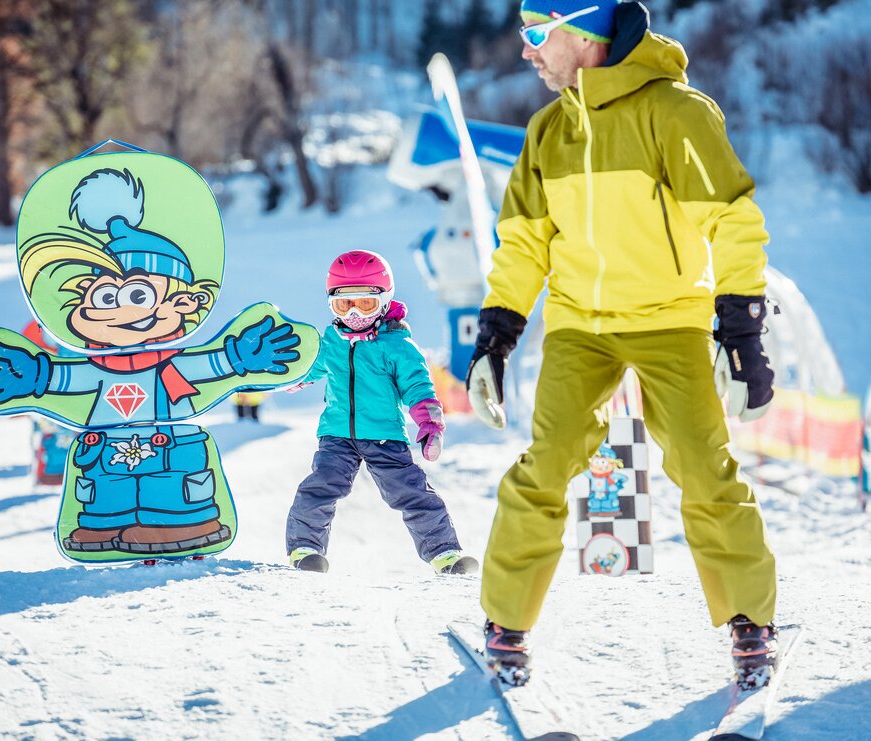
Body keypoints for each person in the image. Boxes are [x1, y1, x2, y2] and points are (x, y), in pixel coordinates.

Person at [465, 0, 779, 688]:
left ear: (579, 35)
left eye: (535, 35)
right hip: (582, 326)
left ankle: (751, 619)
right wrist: (497, 333)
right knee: (545, 463)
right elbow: (522, 243)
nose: (526, 52)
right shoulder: (549, 130)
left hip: (670, 318)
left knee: (703, 465)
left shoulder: (676, 113)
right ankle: (506, 619)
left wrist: (742, 325)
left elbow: (731, 219)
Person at [285, 250, 478, 575]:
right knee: (320, 487)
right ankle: (305, 550)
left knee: (412, 492)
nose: (356, 313)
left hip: (385, 436)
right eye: (345, 305)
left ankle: (445, 554)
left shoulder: (398, 346)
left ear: (385, 302)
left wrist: (429, 424)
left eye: (367, 304)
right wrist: (290, 376)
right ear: (331, 303)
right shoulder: (330, 341)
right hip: (337, 436)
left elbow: (418, 386)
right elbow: (311, 366)